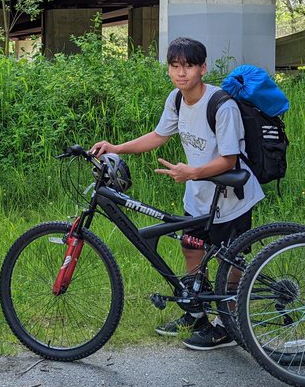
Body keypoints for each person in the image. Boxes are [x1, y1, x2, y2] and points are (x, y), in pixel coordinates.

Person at [92, 36, 263, 351]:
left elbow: (229, 160)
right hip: (199, 196)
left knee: (230, 261)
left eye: (188, 66)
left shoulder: (222, 105)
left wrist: (191, 172)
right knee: (191, 248)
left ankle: (228, 327)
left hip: (231, 198)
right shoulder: (176, 99)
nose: (181, 73)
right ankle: (197, 313)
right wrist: (116, 147)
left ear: (203, 68)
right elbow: (158, 136)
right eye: (174, 66)